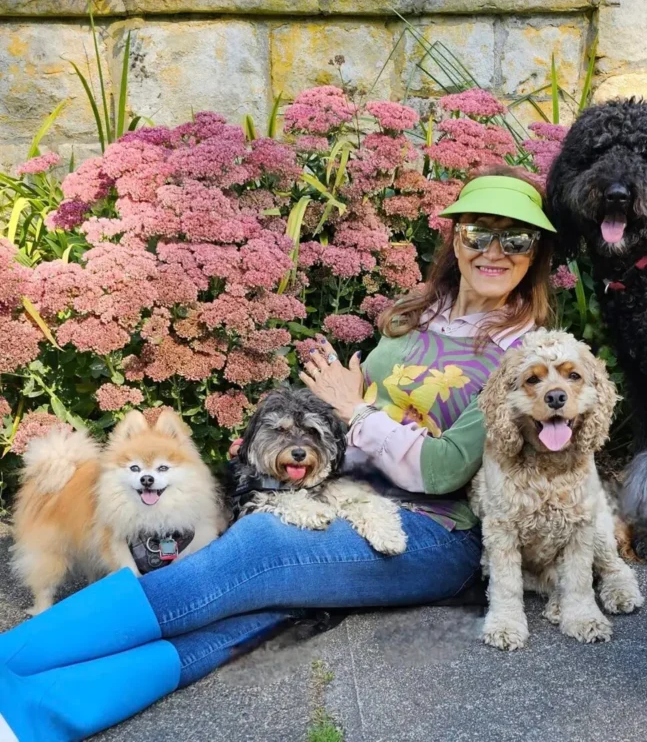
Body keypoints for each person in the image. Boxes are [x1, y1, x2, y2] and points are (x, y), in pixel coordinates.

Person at [0, 168, 556, 741]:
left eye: (516, 239)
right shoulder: (418, 315)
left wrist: (355, 410)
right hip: (332, 495)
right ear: (455, 239)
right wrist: (338, 409)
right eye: (477, 233)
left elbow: (442, 471)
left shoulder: (526, 355)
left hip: (429, 532)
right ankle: (33, 715)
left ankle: (7, 662)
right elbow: (349, 399)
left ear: (535, 253)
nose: (495, 251)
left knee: (260, 551)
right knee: (258, 616)